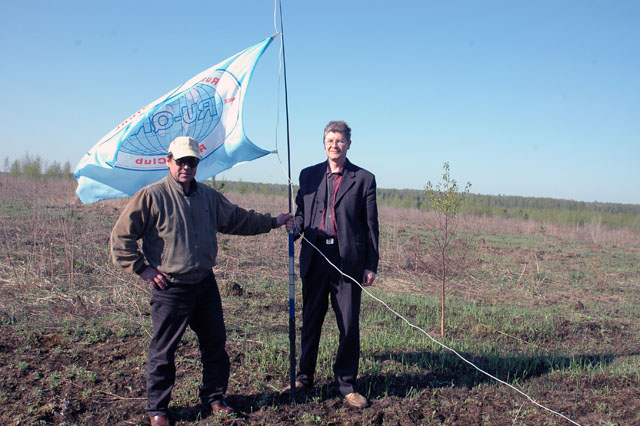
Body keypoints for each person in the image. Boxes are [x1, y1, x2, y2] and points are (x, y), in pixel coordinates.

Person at [110, 136, 293, 426]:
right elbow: (121, 238)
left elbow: (238, 219)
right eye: (181, 161)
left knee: (215, 344)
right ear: (168, 161)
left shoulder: (208, 196)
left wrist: (273, 221)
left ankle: (215, 398)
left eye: (192, 162)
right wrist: (142, 269)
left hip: (205, 284)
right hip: (170, 287)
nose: (186, 167)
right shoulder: (151, 196)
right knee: (163, 352)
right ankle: (158, 410)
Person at [291, 120, 379, 409]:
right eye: (330, 140)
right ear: (324, 143)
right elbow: (302, 213)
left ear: (348, 144)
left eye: (340, 140)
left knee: (348, 324)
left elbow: (371, 226)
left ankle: (346, 383)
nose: (334, 145)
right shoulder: (308, 175)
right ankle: (304, 377)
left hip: (347, 262)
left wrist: (371, 265)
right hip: (315, 256)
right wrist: (295, 227)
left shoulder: (364, 179)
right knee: (310, 321)